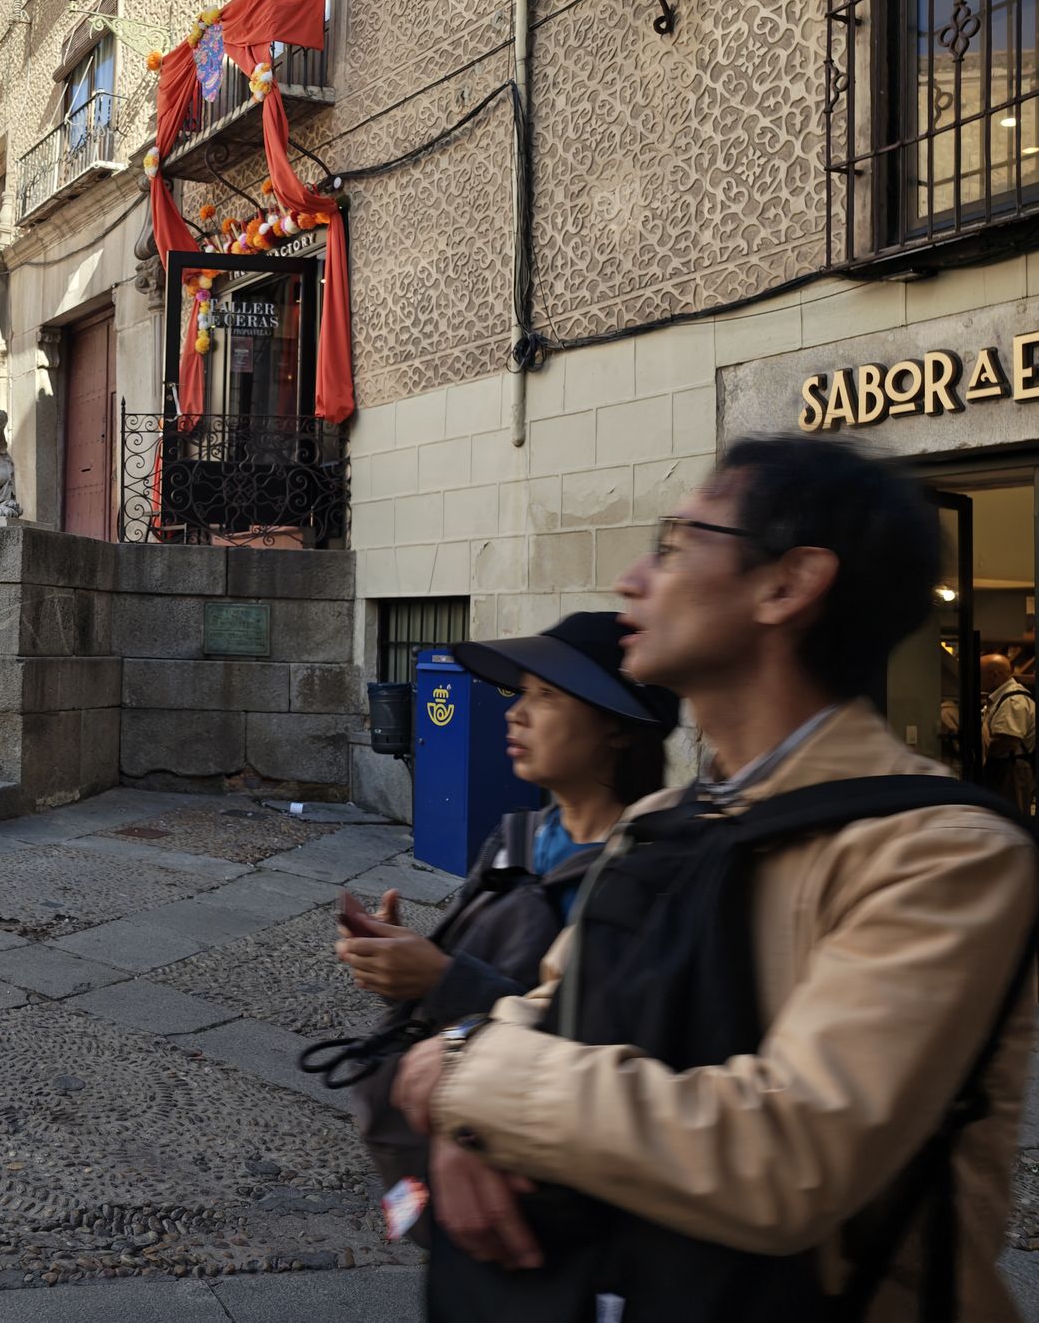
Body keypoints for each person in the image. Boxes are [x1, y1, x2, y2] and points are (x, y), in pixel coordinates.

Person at [391, 435, 1038, 1319]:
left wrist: (473, 1080)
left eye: (675, 544)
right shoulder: (663, 823)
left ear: (786, 584)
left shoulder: (943, 853)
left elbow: (787, 1156)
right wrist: (477, 1095)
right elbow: (553, 1008)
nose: (631, 580)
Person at [320, 611, 675, 1194]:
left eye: (547, 696)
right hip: (462, 1139)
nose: (515, 713)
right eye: (520, 693)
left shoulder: (649, 874)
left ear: (617, 726)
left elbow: (602, 1053)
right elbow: (469, 970)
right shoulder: (518, 836)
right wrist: (401, 965)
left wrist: (440, 978)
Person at [982, 650, 1035, 816]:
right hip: (1007, 767)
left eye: (979, 674)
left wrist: (982, 756)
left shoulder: (1013, 700)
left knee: (1012, 818)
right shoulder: (1002, 697)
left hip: (1011, 769)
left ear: (994, 674)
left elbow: (1007, 741)